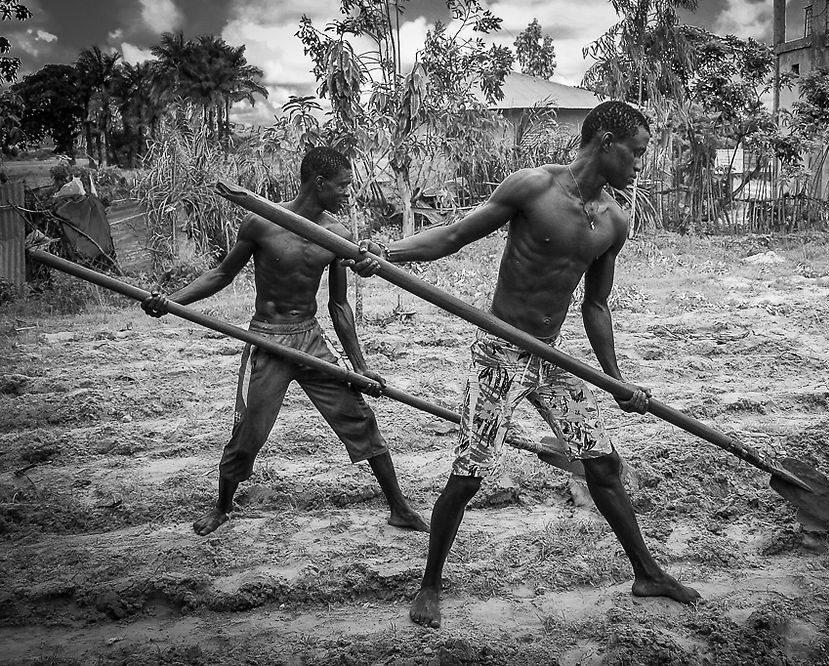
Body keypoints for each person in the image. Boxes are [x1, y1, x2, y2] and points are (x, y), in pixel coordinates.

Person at [353, 101, 701, 628]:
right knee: (470, 475)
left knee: (604, 466)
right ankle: (430, 584)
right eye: (636, 152)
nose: (640, 164)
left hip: (553, 358)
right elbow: (452, 237)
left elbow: (595, 305)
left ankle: (647, 572)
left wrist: (614, 380)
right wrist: (388, 255)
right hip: (500, 353)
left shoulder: (615, 221)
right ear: (605, 141)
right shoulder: (532, 188)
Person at [142, 147, 428, 537]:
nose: (349, 193)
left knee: (359, 418)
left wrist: (360, 367)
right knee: (248, 433)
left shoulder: (338, 236)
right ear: (319, 183)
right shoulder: (261, 221)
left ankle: (399, 507)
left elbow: (339, 306)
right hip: (267, 340)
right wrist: (172, 302)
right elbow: (222, 274)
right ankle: (222, 507)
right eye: (344, 185)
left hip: (310, 339)